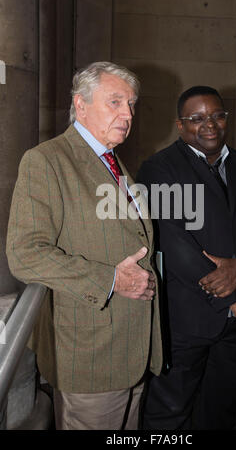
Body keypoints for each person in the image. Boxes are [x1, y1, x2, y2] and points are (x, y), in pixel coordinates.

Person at [6, 61, 162, 430]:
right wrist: (112, 280)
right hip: (90, 351)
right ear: (80, 104)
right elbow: (25, 254)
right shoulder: (46, 161)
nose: (128, 113)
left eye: (132, 104)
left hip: (131, 345)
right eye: (116, 102)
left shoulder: (114, 162)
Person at [137, 85, 236, 430]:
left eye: (217, 115)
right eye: (197, 118)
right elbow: (171, 242)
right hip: (185, 319)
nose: (210, 124)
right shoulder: (158, 169)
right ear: (180, 125)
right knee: (168, 414)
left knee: (222, 411)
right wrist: (235, 297)